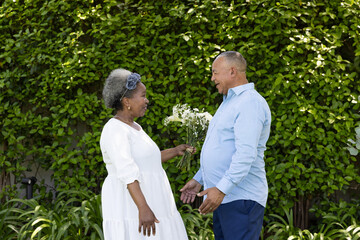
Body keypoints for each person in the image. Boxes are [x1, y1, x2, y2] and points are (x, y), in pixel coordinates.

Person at [180, 51, 271, 240]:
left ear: (232, 71)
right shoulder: (229, 102)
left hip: (241, 199)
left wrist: (221, 189)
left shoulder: (250, 103)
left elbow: (245, 154)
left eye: (215, 72)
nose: (212, 78)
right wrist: (200, 179)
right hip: (226, 198)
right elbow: (224, 147)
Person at [100, 68, 191, 240]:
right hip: (131, 206)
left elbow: (147, 160)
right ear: (127, 101)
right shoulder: (115, 129)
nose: (147, 100)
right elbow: (127, 172)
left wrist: (175, 151)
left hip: (155, 200)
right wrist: (143, 208)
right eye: (143, 95)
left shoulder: (136, 127)